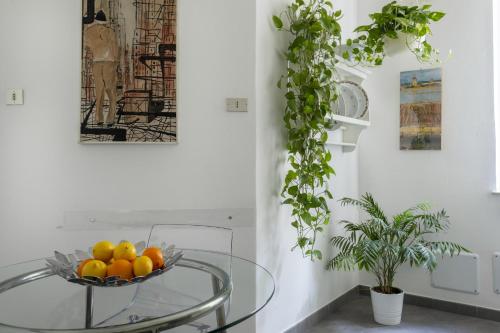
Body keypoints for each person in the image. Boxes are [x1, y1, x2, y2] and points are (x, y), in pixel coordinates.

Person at [84, 10, 119, 127]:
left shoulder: (89, 32)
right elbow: (114, 48)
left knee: (99, 91)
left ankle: (98, 118)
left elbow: (87, 48)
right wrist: (116, 62)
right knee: (110, 91)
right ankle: (110, 118)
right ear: (105, 21)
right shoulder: (110, 31)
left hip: (96, 62)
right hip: (109, 62)